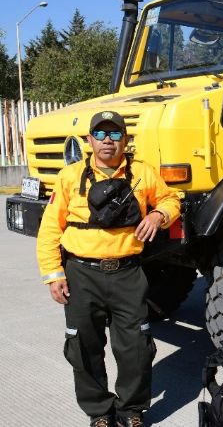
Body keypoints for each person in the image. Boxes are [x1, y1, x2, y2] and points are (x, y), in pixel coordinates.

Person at [36, 111, 181, 427]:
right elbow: (49, 229)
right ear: (89, 141)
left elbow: (171, 200)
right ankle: (100, 412)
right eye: (100, 134)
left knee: (136, 348)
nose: (107, 141)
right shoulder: (69, 177)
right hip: (81, 275)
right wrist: (53, 274)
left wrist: (158, 216)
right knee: (83, 348)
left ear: (124, 140)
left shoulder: (143, 173)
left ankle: (132, 409)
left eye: (115, 134)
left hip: (128, 274)